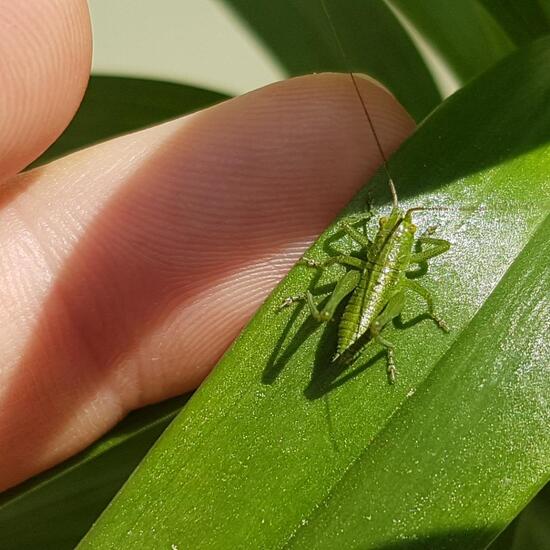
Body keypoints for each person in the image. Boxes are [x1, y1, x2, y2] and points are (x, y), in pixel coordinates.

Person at [0, 0, 414, 491]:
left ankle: (368, 340)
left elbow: (358, 249)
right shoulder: (400, 250)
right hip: (363, 298)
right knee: (365, 297)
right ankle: (344, 325)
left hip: (365, 306)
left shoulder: (392, 247)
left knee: (370, 305)